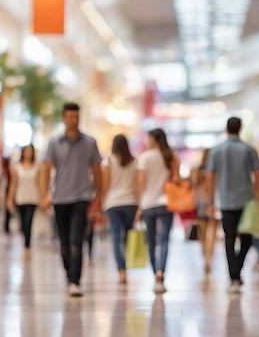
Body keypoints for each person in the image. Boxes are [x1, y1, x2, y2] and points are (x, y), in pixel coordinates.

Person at [40, 102, 102, 297]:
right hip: (60, 198)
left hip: (82, 197)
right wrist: (44, 195)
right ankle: (69, 275)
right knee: (64, 243)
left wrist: (99, 196)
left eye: (76, 116)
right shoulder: (54, 143)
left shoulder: (90, 143)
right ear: (64, 118)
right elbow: (46, 170)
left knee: (77, 240)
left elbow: (97, 171)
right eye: (70, 116)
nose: (73, 120)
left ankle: (75, 281)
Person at [207, 116, 259, 293]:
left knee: (229, 238)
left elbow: (211, 177)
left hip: (225, 201)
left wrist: (211, 201)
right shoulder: (249, 150)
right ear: (240, 129)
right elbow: (258, 175)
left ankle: (234, 275)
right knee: (247, 238)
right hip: (246, 200)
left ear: (226, 129)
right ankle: (236, 271)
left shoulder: (216, 151)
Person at [136, 128, 177, 294]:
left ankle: (156, 274)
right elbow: (175, 179)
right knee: (165, 240)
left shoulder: (145, 157)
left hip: (148, 204)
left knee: (151, 241)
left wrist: (139, 205)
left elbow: (141, 182)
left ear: (153, 139)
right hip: (166, 202)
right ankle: (161, 272)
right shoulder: (170, 157)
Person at [102, 134, 138, 284]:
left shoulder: (108, 161)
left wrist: (101, 202)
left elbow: (105, 184)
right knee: (127, 237)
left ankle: (121, 271)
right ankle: (126, 265)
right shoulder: (134, 162)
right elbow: (137, 184)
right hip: (131, 203)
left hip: (113, 203)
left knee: (116, 237)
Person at [7, 145, 40, 259]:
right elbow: (13, 184)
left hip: (32, 199)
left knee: (28, 222)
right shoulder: (18, 167)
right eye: (26, 151)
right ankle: (26, 244)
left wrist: (43, 197)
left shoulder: (36, 167)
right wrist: (10, 199)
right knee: (23, 224)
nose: (28, 154)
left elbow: (39, 183)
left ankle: (28, 247)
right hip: (20, 199)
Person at [190, 149, 218, 276]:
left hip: (200, 201)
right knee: (213, 231)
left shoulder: (197, 169)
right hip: (213, 201)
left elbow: (193, 184)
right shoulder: (215, 169)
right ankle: (209, 256)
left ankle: (204, 253)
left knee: (202, 231)